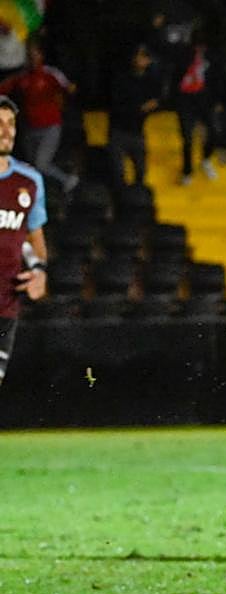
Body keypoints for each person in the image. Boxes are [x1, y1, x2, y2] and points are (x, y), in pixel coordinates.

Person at [0, 95, 49, 387]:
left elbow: (34, 240)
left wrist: (39, 271)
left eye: (11, 123)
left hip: (5, 305)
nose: (7, 131)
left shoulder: (29, 181)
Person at [0, 39, 78, 192]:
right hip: (29, 128)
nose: (32, 58)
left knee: (41, 164)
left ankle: (67, 180)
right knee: (32, 167)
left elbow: (69, 89)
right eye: (29, 55)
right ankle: (40, 193)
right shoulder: (22, 77)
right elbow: (4, 88)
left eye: (35, 54)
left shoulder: (50, 74)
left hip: (49, 126)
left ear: (41, 55)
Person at [108, 44, 162, 188]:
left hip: (137, 131)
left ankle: (136, 197)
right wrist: (141, 108)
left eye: (145, 56)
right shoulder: (122, 79)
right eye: (138, 55)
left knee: (141, 171)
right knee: (118, 172)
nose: (141, 59)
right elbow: (116, 104)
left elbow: (157, 101)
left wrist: (150, 107)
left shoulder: (150, 81)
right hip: (119, 130)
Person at [174, 28, 222, 185]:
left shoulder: (212, 56)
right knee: (187, 137)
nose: (200, 48)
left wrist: (217, 100)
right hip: (186, 100)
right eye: (197, 45)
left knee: (215, 131)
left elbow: (217, 78)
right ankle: (187, 171)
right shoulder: (183, 54)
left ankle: (206, 159)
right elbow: (176, 75)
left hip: (204, 99)